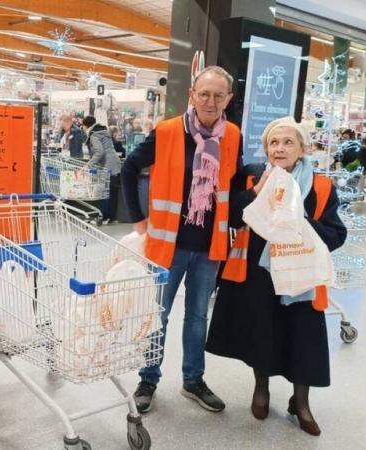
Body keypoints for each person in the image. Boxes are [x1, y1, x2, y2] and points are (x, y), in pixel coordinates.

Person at [206, 117, 347, 436]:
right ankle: (261, 389)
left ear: (302, 148)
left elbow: (338, 233)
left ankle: (301, 402)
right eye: (273, 142)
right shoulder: (251, 177)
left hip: (302, 279)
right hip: (260, 274)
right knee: (263, 333)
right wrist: (257, 191)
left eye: (288, 142)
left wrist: (303, 223)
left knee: (302, 339)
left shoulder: (321, 186)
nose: (280, 148)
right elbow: (230, 216)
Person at [121, 66, 243, 414]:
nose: (210, 101)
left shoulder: (232, 135)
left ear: (228, 100)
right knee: (157, 315)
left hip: (209, 246)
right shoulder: (168, 131)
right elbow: (129, 169)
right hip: (167, 245)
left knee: (196, 318)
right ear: (192, 94)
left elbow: (232, 185)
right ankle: (148, 378)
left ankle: (193, 380)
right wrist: (138, 219)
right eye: (204, 93)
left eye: (219, 95)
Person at [82, 116, 122, 223]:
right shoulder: (103, 131)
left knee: (104, 191)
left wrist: (88, 165)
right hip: (115, 163)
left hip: (108, 165)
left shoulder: (94, 135)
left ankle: (104, 216)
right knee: (112, 192)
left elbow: (99, 152)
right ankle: (112, 217)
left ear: (86, 126)